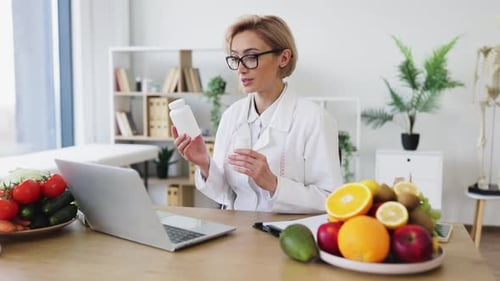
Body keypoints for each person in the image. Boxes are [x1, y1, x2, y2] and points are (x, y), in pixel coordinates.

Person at [172, 15, 342, 213]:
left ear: (284, 58)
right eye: (235, 58)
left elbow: (330, 200)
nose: (241, 69)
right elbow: (226, 194)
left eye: (251, 57)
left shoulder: (315, 119)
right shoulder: (232, 116)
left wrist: (273, 183)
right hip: (238, 231)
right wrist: (204, 163)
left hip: (286, 235)